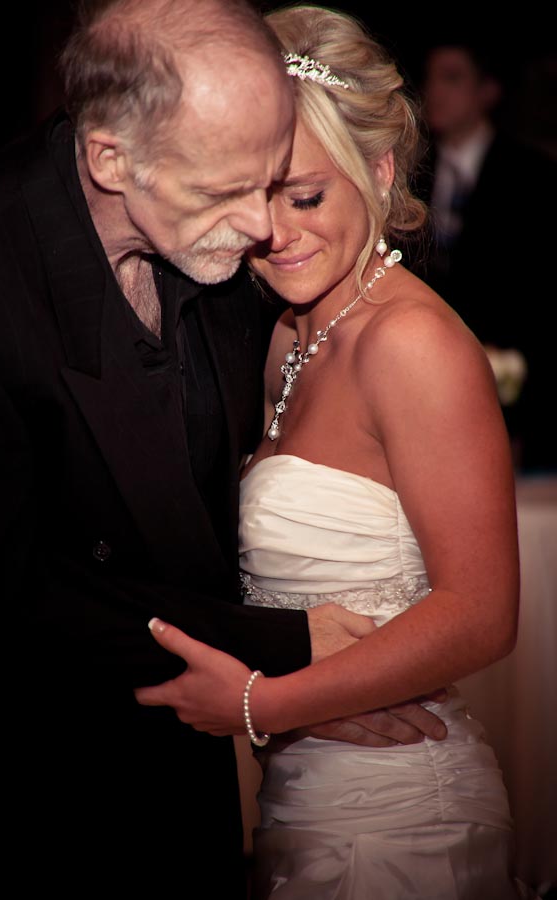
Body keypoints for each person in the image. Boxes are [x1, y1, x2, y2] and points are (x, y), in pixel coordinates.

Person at [0, 0, 448, 894]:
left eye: (272, 183)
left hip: (197, 779)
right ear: (111, 158)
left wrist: (297, 698)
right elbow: (9, 590)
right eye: (226, 192)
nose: (262, 226)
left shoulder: (224, 245)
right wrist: (285, 658)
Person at [135, 6, 539, 898]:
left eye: (306, 197)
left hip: (402, 818)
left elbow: (482, 614)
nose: (275, 233)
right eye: (252, 196)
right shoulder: (288, 331)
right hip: (303, 805)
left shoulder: (412, 344)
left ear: (379, 170)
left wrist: (263, 705)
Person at [411, 40, 557, 472]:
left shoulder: (533, 176)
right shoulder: (410, 171)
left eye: (452, 78)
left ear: (488, 90)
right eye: (431, 78)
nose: (435, 91)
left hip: (510, 389)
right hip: (422, 375)